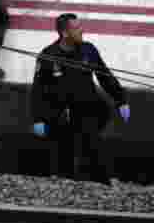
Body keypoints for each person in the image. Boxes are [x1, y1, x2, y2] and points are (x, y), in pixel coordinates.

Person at [30, 13, 130, 184]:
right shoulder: (48, 55)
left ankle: (101, 183)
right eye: (77, 28)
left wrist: (121, 100)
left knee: (92, 146)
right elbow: (38, 89)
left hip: (88, 110)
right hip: (61, 115)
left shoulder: (88, 50)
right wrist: (38, 118)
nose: (82, 31)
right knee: (63, 152)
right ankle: (65, 182)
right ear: (65, 33)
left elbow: (105, 76)